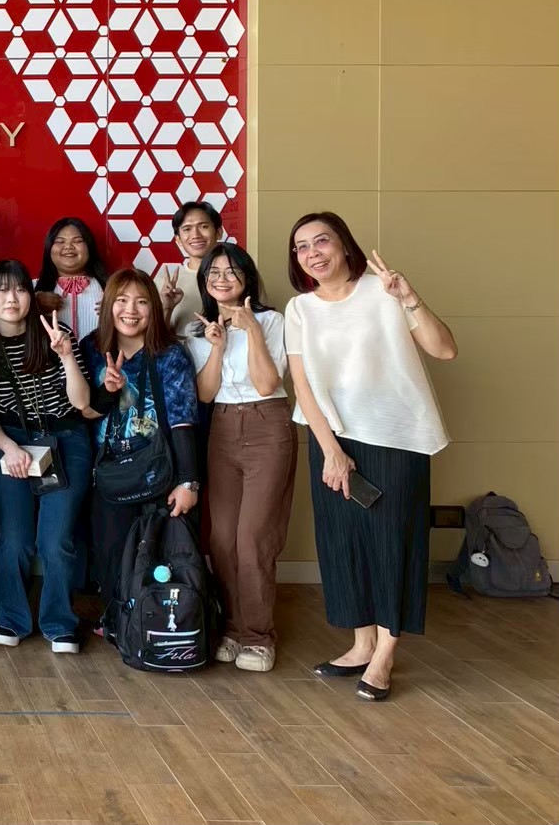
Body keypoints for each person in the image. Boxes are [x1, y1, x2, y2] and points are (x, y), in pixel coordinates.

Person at [285, 212, 456, 701]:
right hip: (334, 438)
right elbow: (303, 386)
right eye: (302, 247)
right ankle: (362, 644)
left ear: (344, 245)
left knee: (392, 543)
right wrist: (330, 451)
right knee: (343, 543)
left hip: (397, 436)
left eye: (322, 241)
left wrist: (408, 297)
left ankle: (385, 653)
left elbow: (445, 350)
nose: (313, 253)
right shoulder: (300, 309)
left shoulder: (383, 290)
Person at [0, 261, 93, 652]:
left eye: (19, 289)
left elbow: (82, 402)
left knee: (55, 540)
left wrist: (66, 356)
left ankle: (59, 622)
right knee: (15, 539)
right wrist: (9, 448)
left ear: (30, 294)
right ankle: (11, 618)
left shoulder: (57, 333)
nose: (11, 298)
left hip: (65, 439)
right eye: (1, 290)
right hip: (11, 441)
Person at [185, 243, 295, 673]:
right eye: (214, 272)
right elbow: (205, 394)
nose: (222, 278)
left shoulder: (272, 321)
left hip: (268, 424)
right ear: (205, 281)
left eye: (231, 271)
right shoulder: (199, 329)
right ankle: (231, 628)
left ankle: (258, 636)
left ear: (247, 279)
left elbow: (267, 383)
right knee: (221, 539)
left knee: (253, 537)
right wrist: (217, 346)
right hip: (223, 427)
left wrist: (251, 332)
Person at [82, 268, 201, 640]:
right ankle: (116, 622)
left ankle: (153, 625)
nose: (130, 310)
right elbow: (83, 410)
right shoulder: (90, 349)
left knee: (158, 555)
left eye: (141, 302)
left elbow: (182, 420)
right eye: (121, 300)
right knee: (109, 551)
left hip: (159, 472)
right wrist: (107, 389)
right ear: (108, 306)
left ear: (153, 308)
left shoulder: (170, 354)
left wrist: (188, 481)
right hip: (108, 474)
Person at [155, 200, 224, 338]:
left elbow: (260, 323)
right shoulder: (162, 283)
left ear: (219, 232)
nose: (196, 235)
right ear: (178, 240)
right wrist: (167, 308)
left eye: (203, 226)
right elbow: (153, 339)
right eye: (187, 229)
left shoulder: (239, 276)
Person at [33, 216, 109, 341]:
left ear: (89, 247)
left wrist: (119, 306)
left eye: (78, 241)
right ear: (49, 249)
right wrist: (34, 304)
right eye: (60, 242)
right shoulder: (30, 289)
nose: (68, 246)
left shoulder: (112, 287)